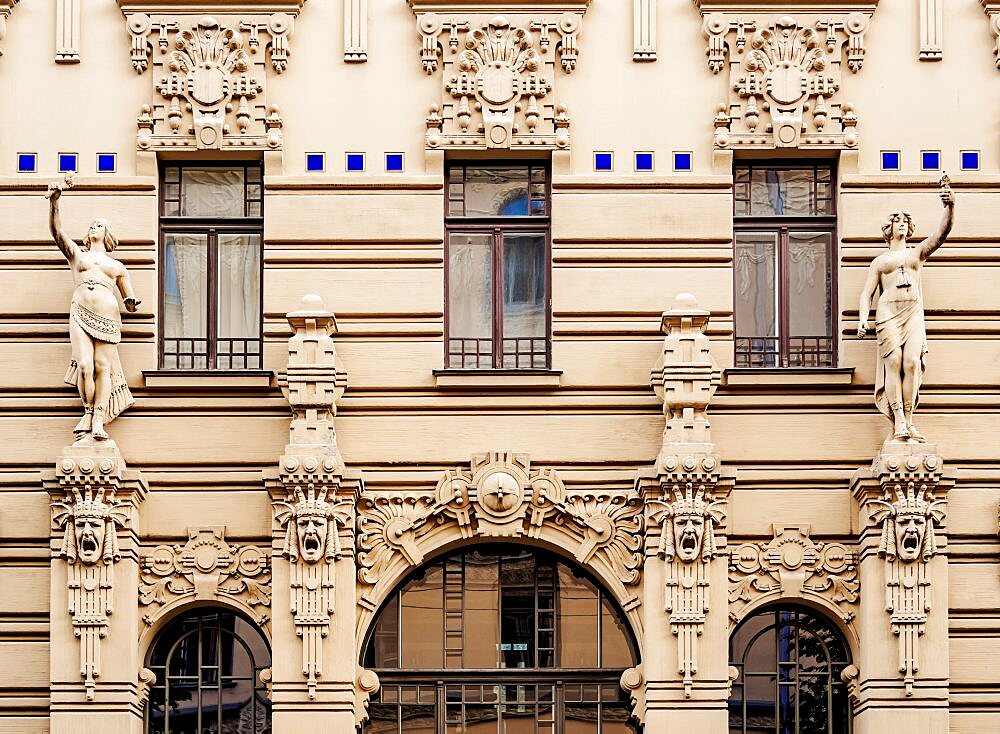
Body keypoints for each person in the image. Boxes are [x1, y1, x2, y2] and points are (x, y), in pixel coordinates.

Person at [857, 174, 954, 442]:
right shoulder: (879, 262)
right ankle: (898, 420)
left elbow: (941, 234)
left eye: (905, 221)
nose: (901, 224)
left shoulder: (916, 254)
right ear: (888, 229)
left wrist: (950, 205)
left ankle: (909, 420)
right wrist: (863, 319)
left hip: (912, 313)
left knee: (911, 363)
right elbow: (866, 294)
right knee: (894, 362)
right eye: (897, 221)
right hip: (888, 312)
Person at [46, 176, 139, 440]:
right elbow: (57, 233)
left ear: (106, 234)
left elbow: (129, 298)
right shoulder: (78, 256)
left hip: (108, 316)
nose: (94, 227)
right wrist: (55, 202)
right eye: (92, 225)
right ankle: (88, 410)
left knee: (102, 366)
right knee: (85, 366)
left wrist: (131, 302)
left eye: (99, 224)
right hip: (80, 312)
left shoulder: (117, 266)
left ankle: (98, 417)